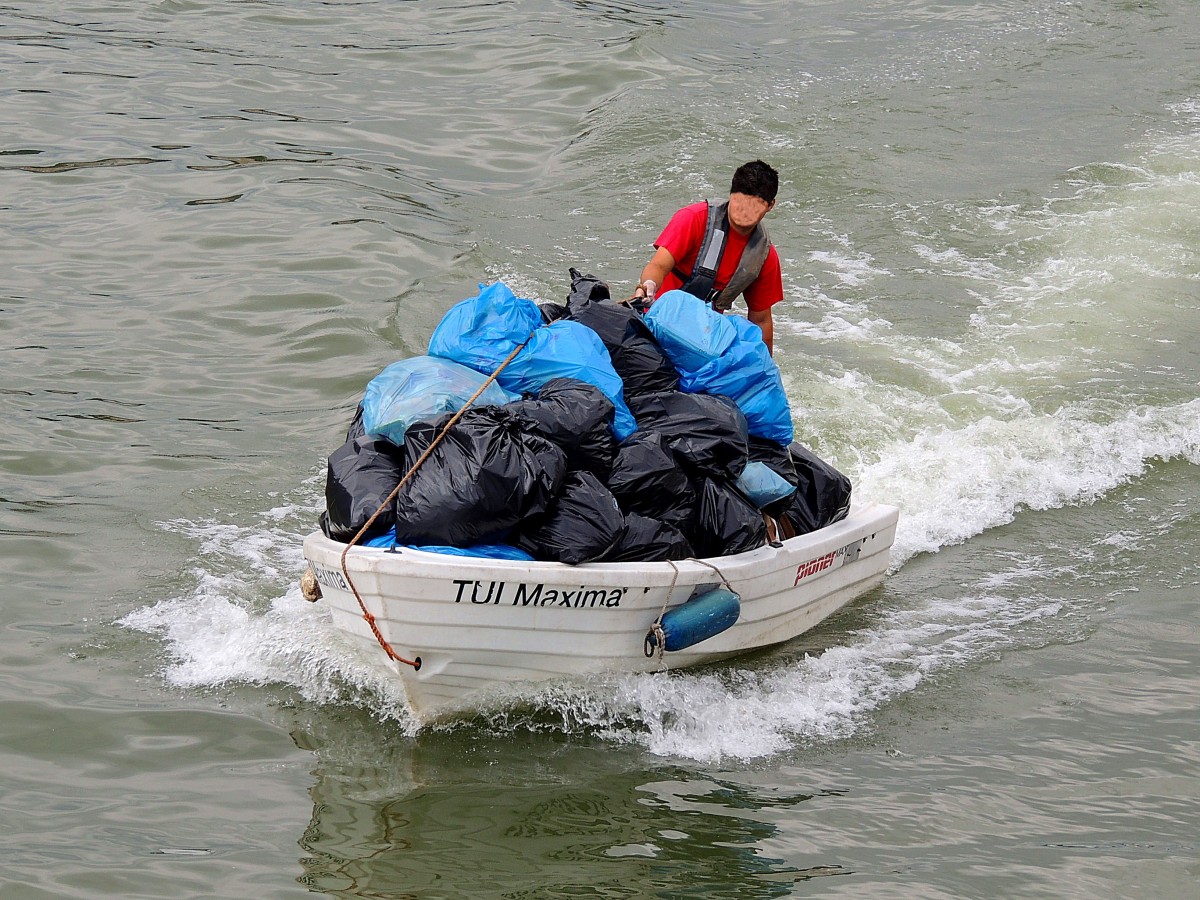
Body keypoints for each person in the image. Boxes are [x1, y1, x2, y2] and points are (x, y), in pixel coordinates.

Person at [631, 159, 783, 353]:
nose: (745, 212)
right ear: (731, 194)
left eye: (755, 206)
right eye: (740, 202)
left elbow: (761, 320)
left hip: (702, 340)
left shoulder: (764, 256)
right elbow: (658, 266)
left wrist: (765, 370)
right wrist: (649, 284)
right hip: (656, 319)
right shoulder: (695, 218)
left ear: (770, 206)